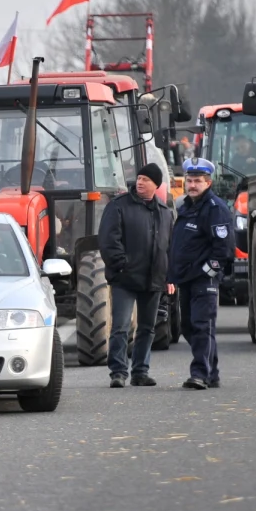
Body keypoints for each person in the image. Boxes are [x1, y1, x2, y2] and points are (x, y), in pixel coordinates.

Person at [98, 162, 174, 388]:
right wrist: (122, 265)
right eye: (139, 178)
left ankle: (140, 371)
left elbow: (170, 247)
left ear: (156, 186)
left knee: (147, 328)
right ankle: (118, 372)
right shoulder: (119, 206)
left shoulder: (165, 213)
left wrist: (169, 276)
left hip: (153, 280)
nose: (140, 182)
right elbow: (108, 240)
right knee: (121, 327)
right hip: (125, 279)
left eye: (146, 180)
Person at [167, 157, 235, 390]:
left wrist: (208, 272)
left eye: (198, 181)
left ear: (208, 183)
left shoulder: (215, 209)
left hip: (203, 279)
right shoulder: (186, 207)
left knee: (201, 325)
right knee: (188, 326)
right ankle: (212, 373)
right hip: (186, 279)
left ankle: (199, 373)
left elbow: (223, 248)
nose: (192, 185)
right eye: (189, 180)